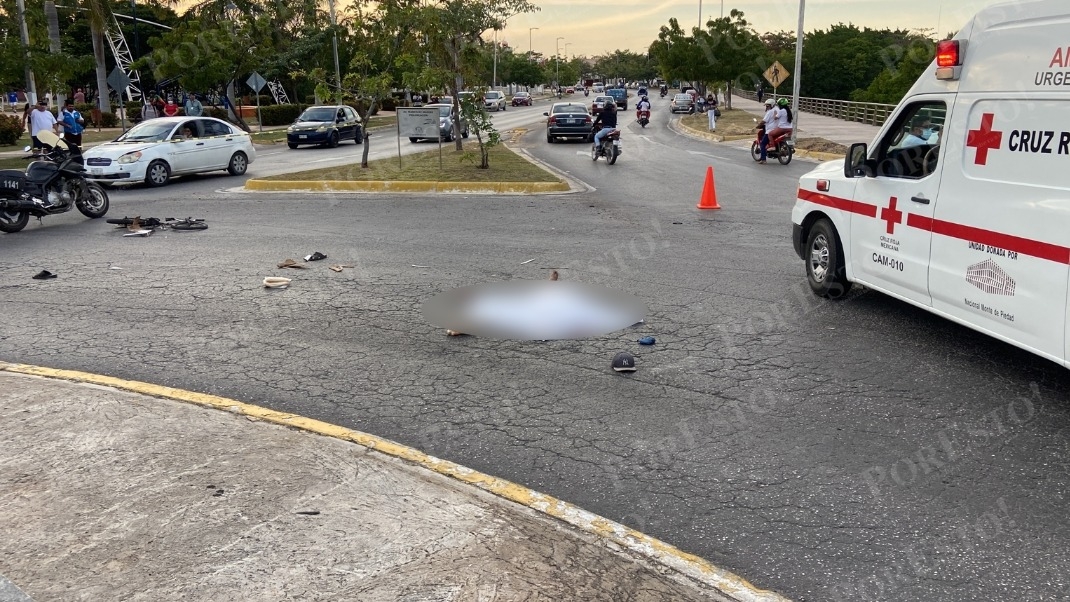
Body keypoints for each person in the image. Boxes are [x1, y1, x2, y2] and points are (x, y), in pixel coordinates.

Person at [757, 98, 776, 164]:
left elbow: (764, 121)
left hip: (770, 130)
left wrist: (758, 125)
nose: (767, 107)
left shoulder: (770, 112)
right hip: (778, 129)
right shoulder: (777, 110)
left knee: (762, 143)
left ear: (772, 105)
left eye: (768, 106)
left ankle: (763, 159)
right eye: (766, 106)